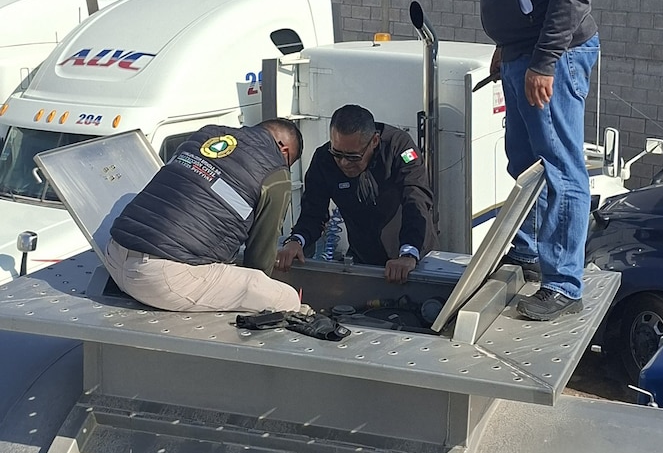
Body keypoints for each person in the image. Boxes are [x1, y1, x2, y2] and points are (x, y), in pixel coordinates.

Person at [465, 0, 603, 320]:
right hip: (525, 53)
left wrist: (544, 61)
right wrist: (507, 42)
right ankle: (529, 253)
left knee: (561, 166)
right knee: (524, 162)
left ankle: (563, 284)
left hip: (553, 57)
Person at [105, 118, 308, 313]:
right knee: (285, 299)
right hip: (160, 279)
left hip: (114, 256)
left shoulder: (207, 134)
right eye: (289, 163)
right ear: (284, 150)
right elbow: (259, 257)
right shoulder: (276, 173)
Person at [275, 104, 438, 285]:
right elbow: (313, 212)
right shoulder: (324, 159)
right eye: (337, 153)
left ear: (374, 141)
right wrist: (296, 240)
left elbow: (416, 199)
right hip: (363, 256)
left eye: (353, 156)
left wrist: (409, 253)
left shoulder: (399, 147)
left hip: (412, 253)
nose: (344, 163)